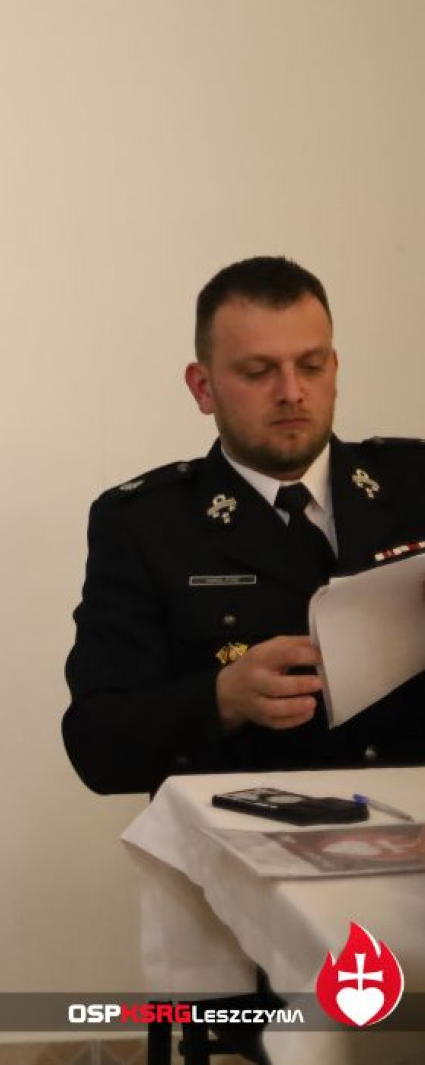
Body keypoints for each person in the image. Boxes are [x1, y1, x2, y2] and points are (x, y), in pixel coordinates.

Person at [63, 256, 425, 796]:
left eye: (311, 365)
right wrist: (221, 700)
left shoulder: (414, 486)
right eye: (258, 372)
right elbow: (97, 745)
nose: (291, 392)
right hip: (252, 835)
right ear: (203, 387)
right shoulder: (146, 526)